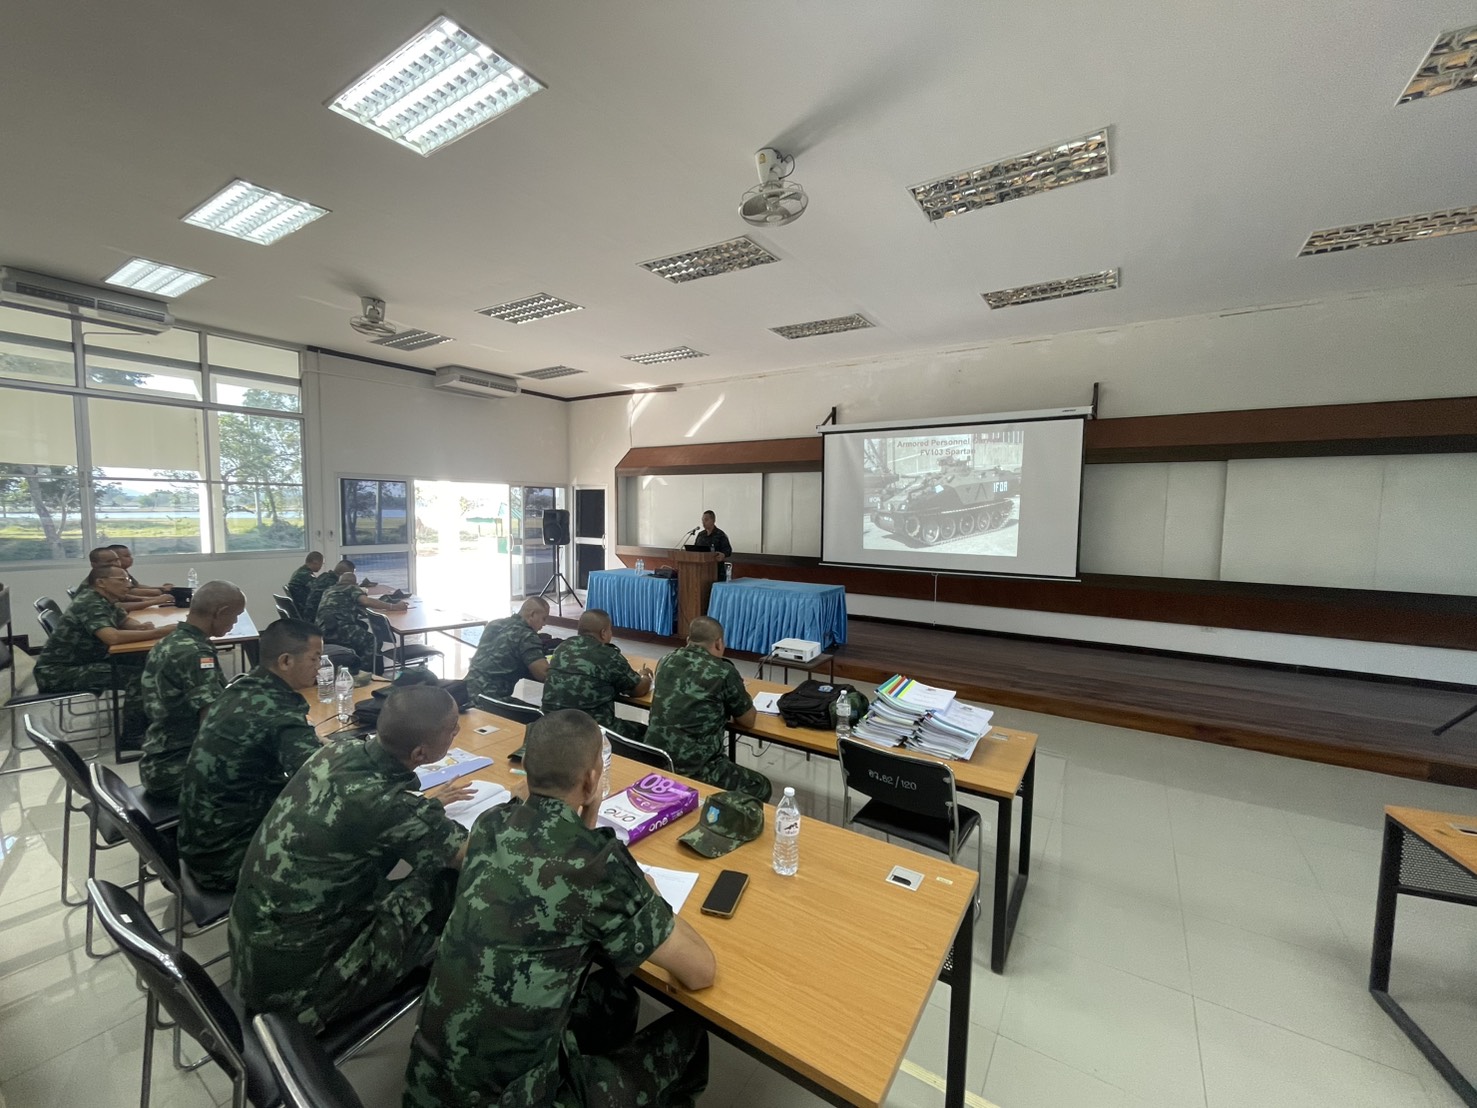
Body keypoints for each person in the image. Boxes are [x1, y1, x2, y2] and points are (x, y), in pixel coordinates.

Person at [403, 709, 714, 1107]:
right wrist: (650, 898)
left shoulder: (490, 825)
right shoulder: (598, 865)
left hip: (428, 1083)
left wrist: (587, 814)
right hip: (515, 1099)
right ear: (591, 779)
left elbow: (552, 862)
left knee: (617, 994)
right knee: (690, 1034)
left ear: (527, 769)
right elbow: (700, 972)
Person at [230, 685, 472, 1028]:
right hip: (298, 993)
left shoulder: (336, 751)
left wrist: (424, 812)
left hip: (256, 956)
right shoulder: (390, 808)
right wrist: (520, 807)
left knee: (402, 864)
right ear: (420, 753)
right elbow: (472, 856)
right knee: (450, 878)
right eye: (452, 730)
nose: (457, 731)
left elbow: (362, 811)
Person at [177, 618, 325, 893]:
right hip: (230, 859)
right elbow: (320, 778)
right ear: (285, 661)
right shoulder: (278, 709)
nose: (320, 666)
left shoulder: (241, 687)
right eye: (315, 658)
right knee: (346, 831)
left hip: (202, 841)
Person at [34, 564, 169, 746]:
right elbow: (112, 637)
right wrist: (157, 633)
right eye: (122, 580)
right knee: (137, 678)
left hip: (86, 660)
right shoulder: (89, 602)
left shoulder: (105, 599)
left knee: (146, 660)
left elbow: (124, 620)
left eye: (128, 580)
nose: (128, 585)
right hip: (57, 673)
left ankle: (155, 720)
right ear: (101, 582)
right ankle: (132, 737)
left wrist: (141, 627)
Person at [137, 580, 248, 801]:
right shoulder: (196, 653)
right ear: (220, 612)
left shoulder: (171, 641)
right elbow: (211, 724)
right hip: (179, 768)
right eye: (235, 616)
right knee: (273, 775)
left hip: (159, 759)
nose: (235, 623)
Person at [645, 616, 771, 802]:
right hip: (696, 768)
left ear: (688, 640)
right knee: (761, 785)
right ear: (719, 643)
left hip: (656, 758)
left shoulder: (666, 660)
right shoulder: (723, 671)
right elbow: (748, 720)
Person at [541, 609, 652, 740]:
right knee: (647, 733)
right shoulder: (608, 655)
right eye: (610, 630)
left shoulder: (561, 648)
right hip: (592, 732)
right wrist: (645, 676)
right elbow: (638, 690)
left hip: (552, 727)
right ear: (603, 633)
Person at [315, 570, 407, 674]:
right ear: (355, 583)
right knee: (373, 640)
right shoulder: (351, 588)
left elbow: (351, 606)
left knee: (362, 627)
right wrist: (393, 606)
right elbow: (365, 601)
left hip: (321, 631)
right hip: (340, 628)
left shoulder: (329, 590)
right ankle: (365, 673)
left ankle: (357, 667)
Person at [464, 597, 550, 701]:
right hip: (491, 698)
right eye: (544, 618)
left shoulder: (494, 624)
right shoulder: (526, 635)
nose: (544, 624)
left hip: (466, 690)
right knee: (538, 710)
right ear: (532, 614)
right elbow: (543, 674)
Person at [78, 546, 167, 612]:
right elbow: (116, 607)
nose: (116, 564)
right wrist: (153, 601)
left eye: (116, 560)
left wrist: (154, 599)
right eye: (109, 561)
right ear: (94, 565)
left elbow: (126, 597)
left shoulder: (116, 574)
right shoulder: (94, 583)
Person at [107, 543, 174, 599]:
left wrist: (162, 588)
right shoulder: (113, 573)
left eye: (130, 556)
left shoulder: (124, 571)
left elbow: (137, 586)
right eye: (126, 556)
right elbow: (130, 591)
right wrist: (159, 592)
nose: (131, 558)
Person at [302, 557, 353, 622]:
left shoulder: (323, 576)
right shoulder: (333, 584)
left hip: (308, 614)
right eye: (350, 575)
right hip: (318, 618)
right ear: (342, 574)